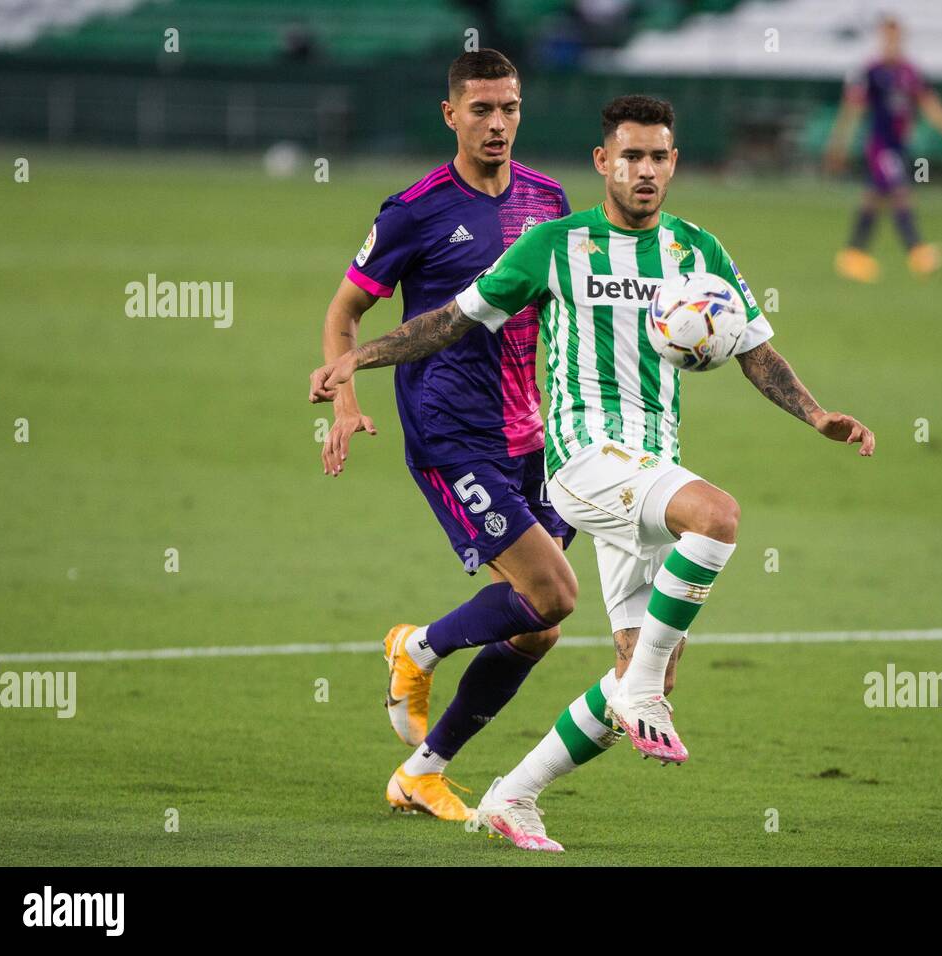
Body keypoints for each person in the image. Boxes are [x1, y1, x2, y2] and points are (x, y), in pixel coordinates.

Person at [309, 94, 876, 851]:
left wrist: (816, 415)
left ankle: (513, 796)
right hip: (582, 461)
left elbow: (753, 347)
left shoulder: (696, 251)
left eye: (659, 157)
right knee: (717, 517)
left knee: (645, 670)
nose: (646, 171)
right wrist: (361, 357)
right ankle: (466, 665)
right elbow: (452, 318)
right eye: (631, 156)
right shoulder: (555, 245)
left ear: (674, 163)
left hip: (647, 466)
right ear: (604, 162)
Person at [318, 49, 577, 822]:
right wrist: (343, 405)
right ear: (451, 115)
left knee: (539, 627)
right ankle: (418, 647)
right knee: (552, 592)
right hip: (450, 430)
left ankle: (422, 773)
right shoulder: (414, 210)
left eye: (510, 108)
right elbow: (344, 314)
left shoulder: (548, 197)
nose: (498, 123)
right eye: (482, 110)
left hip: (535, 432)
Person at [823, 15, 942, 282]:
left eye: (896, 37)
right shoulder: (872, 72)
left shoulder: (909, 72)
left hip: (898, 146)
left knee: (874, 199)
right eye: (887, 37)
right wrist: (839, 144)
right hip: (881, 146)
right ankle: (917, 252)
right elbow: (852, 110)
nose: (891, 43)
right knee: (900, 193)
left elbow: (928, 103)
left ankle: (852, 255)